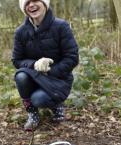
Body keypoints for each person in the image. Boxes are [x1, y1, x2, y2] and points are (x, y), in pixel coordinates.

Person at [12, 0, 79, 131]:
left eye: (35, 0)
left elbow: (72, 57)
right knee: (20, 76)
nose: (31, 5)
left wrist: (50, 70)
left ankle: (57, 104)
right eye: (27, 3)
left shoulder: (61, 26)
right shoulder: (20, 32)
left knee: (39, 99)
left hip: (58, 78)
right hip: (34, 76)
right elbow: (17, 60)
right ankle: (32, 114)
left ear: (45, 4)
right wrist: (34, 64)